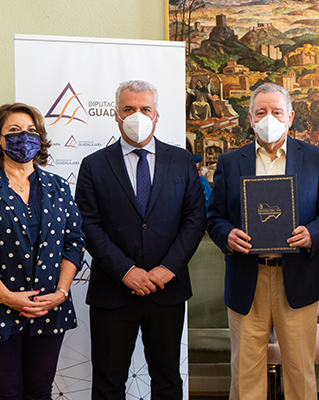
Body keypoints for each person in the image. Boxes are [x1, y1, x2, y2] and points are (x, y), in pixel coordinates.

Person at [206, 83, 319, 400]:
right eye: (261, 112)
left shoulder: (314, 157)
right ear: (250, 119)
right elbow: (214, 218)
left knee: (300, 374)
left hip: (298, 276)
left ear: (290, 117)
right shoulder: (230, 162)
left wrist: (312, 234)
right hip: (246, 278)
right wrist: (227, 235)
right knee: (245, 375)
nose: (269, 118)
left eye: (277, 111)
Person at [75, 80, 206, 400]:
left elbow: (195, 219)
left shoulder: (182, 161)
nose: (138, 115)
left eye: (145, 109)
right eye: (129, 109)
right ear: (116, 115)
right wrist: (126, 271)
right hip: (113, 290)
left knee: (168, 381)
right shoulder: (94, 165)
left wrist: (167, 269)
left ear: (156, 115)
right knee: (107, 383)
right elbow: (88, 225)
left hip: (167, 290)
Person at [0, 103, 85, 400]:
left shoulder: (58, 187)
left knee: (40, 392)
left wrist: (61, 293)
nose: (24, 136)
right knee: (6, 392)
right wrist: (6, 296)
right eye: (14, 130)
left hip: (49, 307)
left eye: (31, 130)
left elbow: (74, 241)